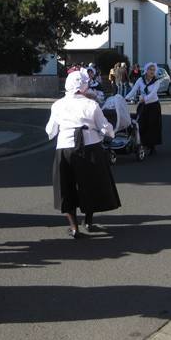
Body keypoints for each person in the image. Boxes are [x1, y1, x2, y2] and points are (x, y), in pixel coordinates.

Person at [46, 70, 120, 238]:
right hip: (90, 147)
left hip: (65, 148)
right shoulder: (91, 105)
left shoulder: (57, 105)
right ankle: (88, 221)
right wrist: (111, 132)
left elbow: (50, 130)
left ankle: (74, 228)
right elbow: (105, 127)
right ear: (83, 87)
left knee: (66, 187)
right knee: (91, 185)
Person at [125, 62, 162, 155]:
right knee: (141, 124)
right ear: (146, 70)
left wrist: (145, 99)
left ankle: (152, 146)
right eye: (150, 69)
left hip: (153, 105)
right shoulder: (140, 80)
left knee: (152, 126)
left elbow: (153, 93)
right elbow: (133, 91)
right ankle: (142, 143)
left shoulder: (156, 81)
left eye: (153, 70)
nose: (152, 71)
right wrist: (125, 98)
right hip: (143, 106)